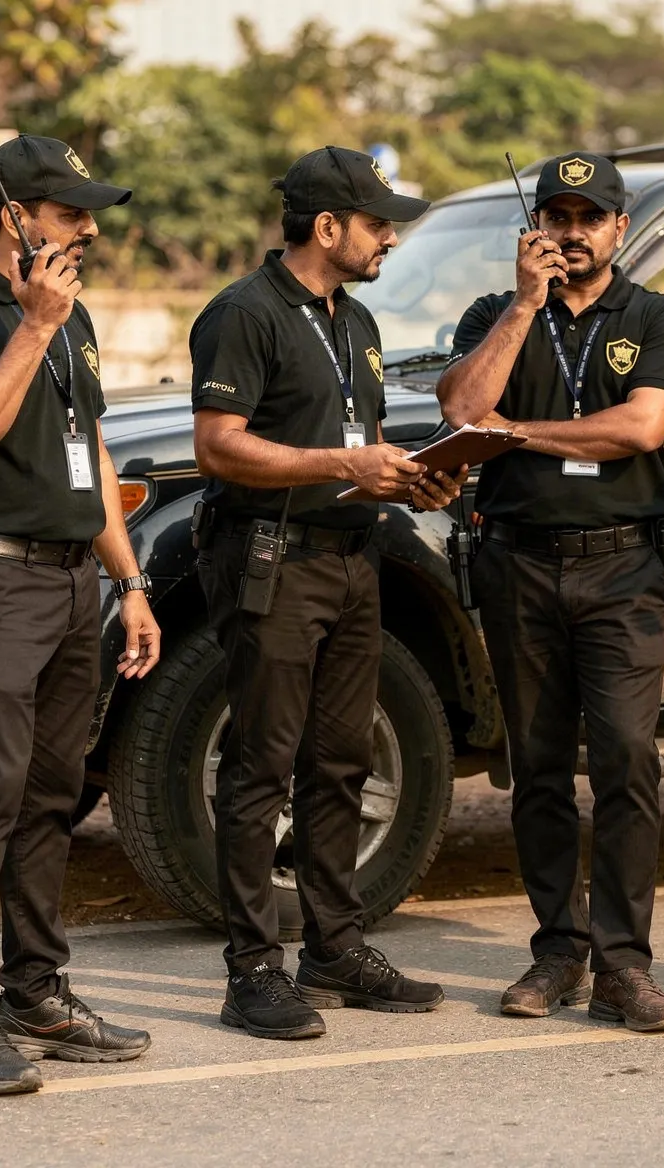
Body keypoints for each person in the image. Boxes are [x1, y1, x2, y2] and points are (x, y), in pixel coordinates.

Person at [0, 135, 161, 1094]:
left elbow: (88, 450)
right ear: (14, 217)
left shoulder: (71, 314)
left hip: (71, 584)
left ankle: (35, 991)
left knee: (53, 794)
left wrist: (129, 584)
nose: (88, 228)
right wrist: (36, 328)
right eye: (68, 211)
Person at [191, 146, 462, 1041]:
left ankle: (335, 948)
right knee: (260, 767)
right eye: (380, 223)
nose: (390, 238)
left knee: (340, 760)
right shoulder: (243, 313)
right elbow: (219, 447)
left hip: (352, 559)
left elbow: (364, 437)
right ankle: (252, 970)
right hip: (272, 559)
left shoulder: (359, 323)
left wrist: (409, 479)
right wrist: (345, 461)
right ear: (327, 226)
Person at [436, 152, 664, 1033]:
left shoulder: (657, 316)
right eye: (557, 217)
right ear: (535, 227)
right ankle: (559, 950)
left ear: (621, 228)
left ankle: (625, 965)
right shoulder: (494, 312)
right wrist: (522, 305)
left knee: (626, 758)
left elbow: (640, 426)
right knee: (538, 766)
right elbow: (463, 411)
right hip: (518, 562)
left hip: (621, 566)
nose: (572, 233)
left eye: (590, 218)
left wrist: (518, 433)